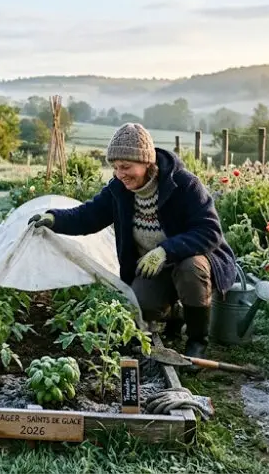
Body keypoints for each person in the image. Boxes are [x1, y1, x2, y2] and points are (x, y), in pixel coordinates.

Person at [28, 123, 236, 359]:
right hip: (152, 266)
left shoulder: (184, 184)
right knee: (142, 305)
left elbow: (209, 230)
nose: (120, 174)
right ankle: (178, 313)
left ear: (147, 162)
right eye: (115, 167)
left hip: (187, 260)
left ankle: (198, 340)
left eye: (126, 166)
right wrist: (54, 218)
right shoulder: (119, 190)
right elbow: (88, 215)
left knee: (191, 268)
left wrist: (165, 251)